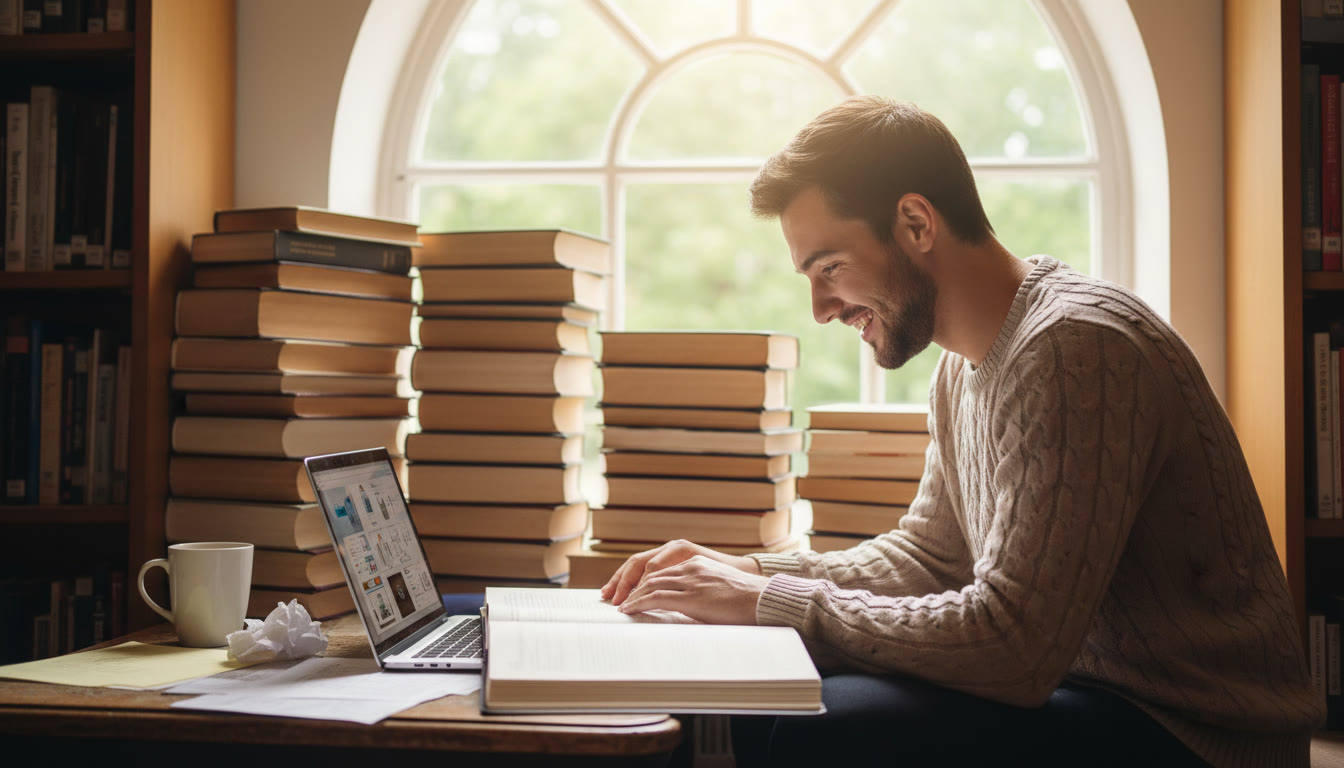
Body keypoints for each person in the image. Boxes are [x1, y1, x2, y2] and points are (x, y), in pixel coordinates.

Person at [600, 96, 1323, 767]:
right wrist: (747, 575)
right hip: (1086, 688)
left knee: (822, 721)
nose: (820, 308)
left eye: (830, 268)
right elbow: (931, 557)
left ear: (916, 224)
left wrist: (767, 602)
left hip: (1193, 731)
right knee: (773, 689)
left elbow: (1013, 643)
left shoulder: (1077, 349)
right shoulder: (965, 366)